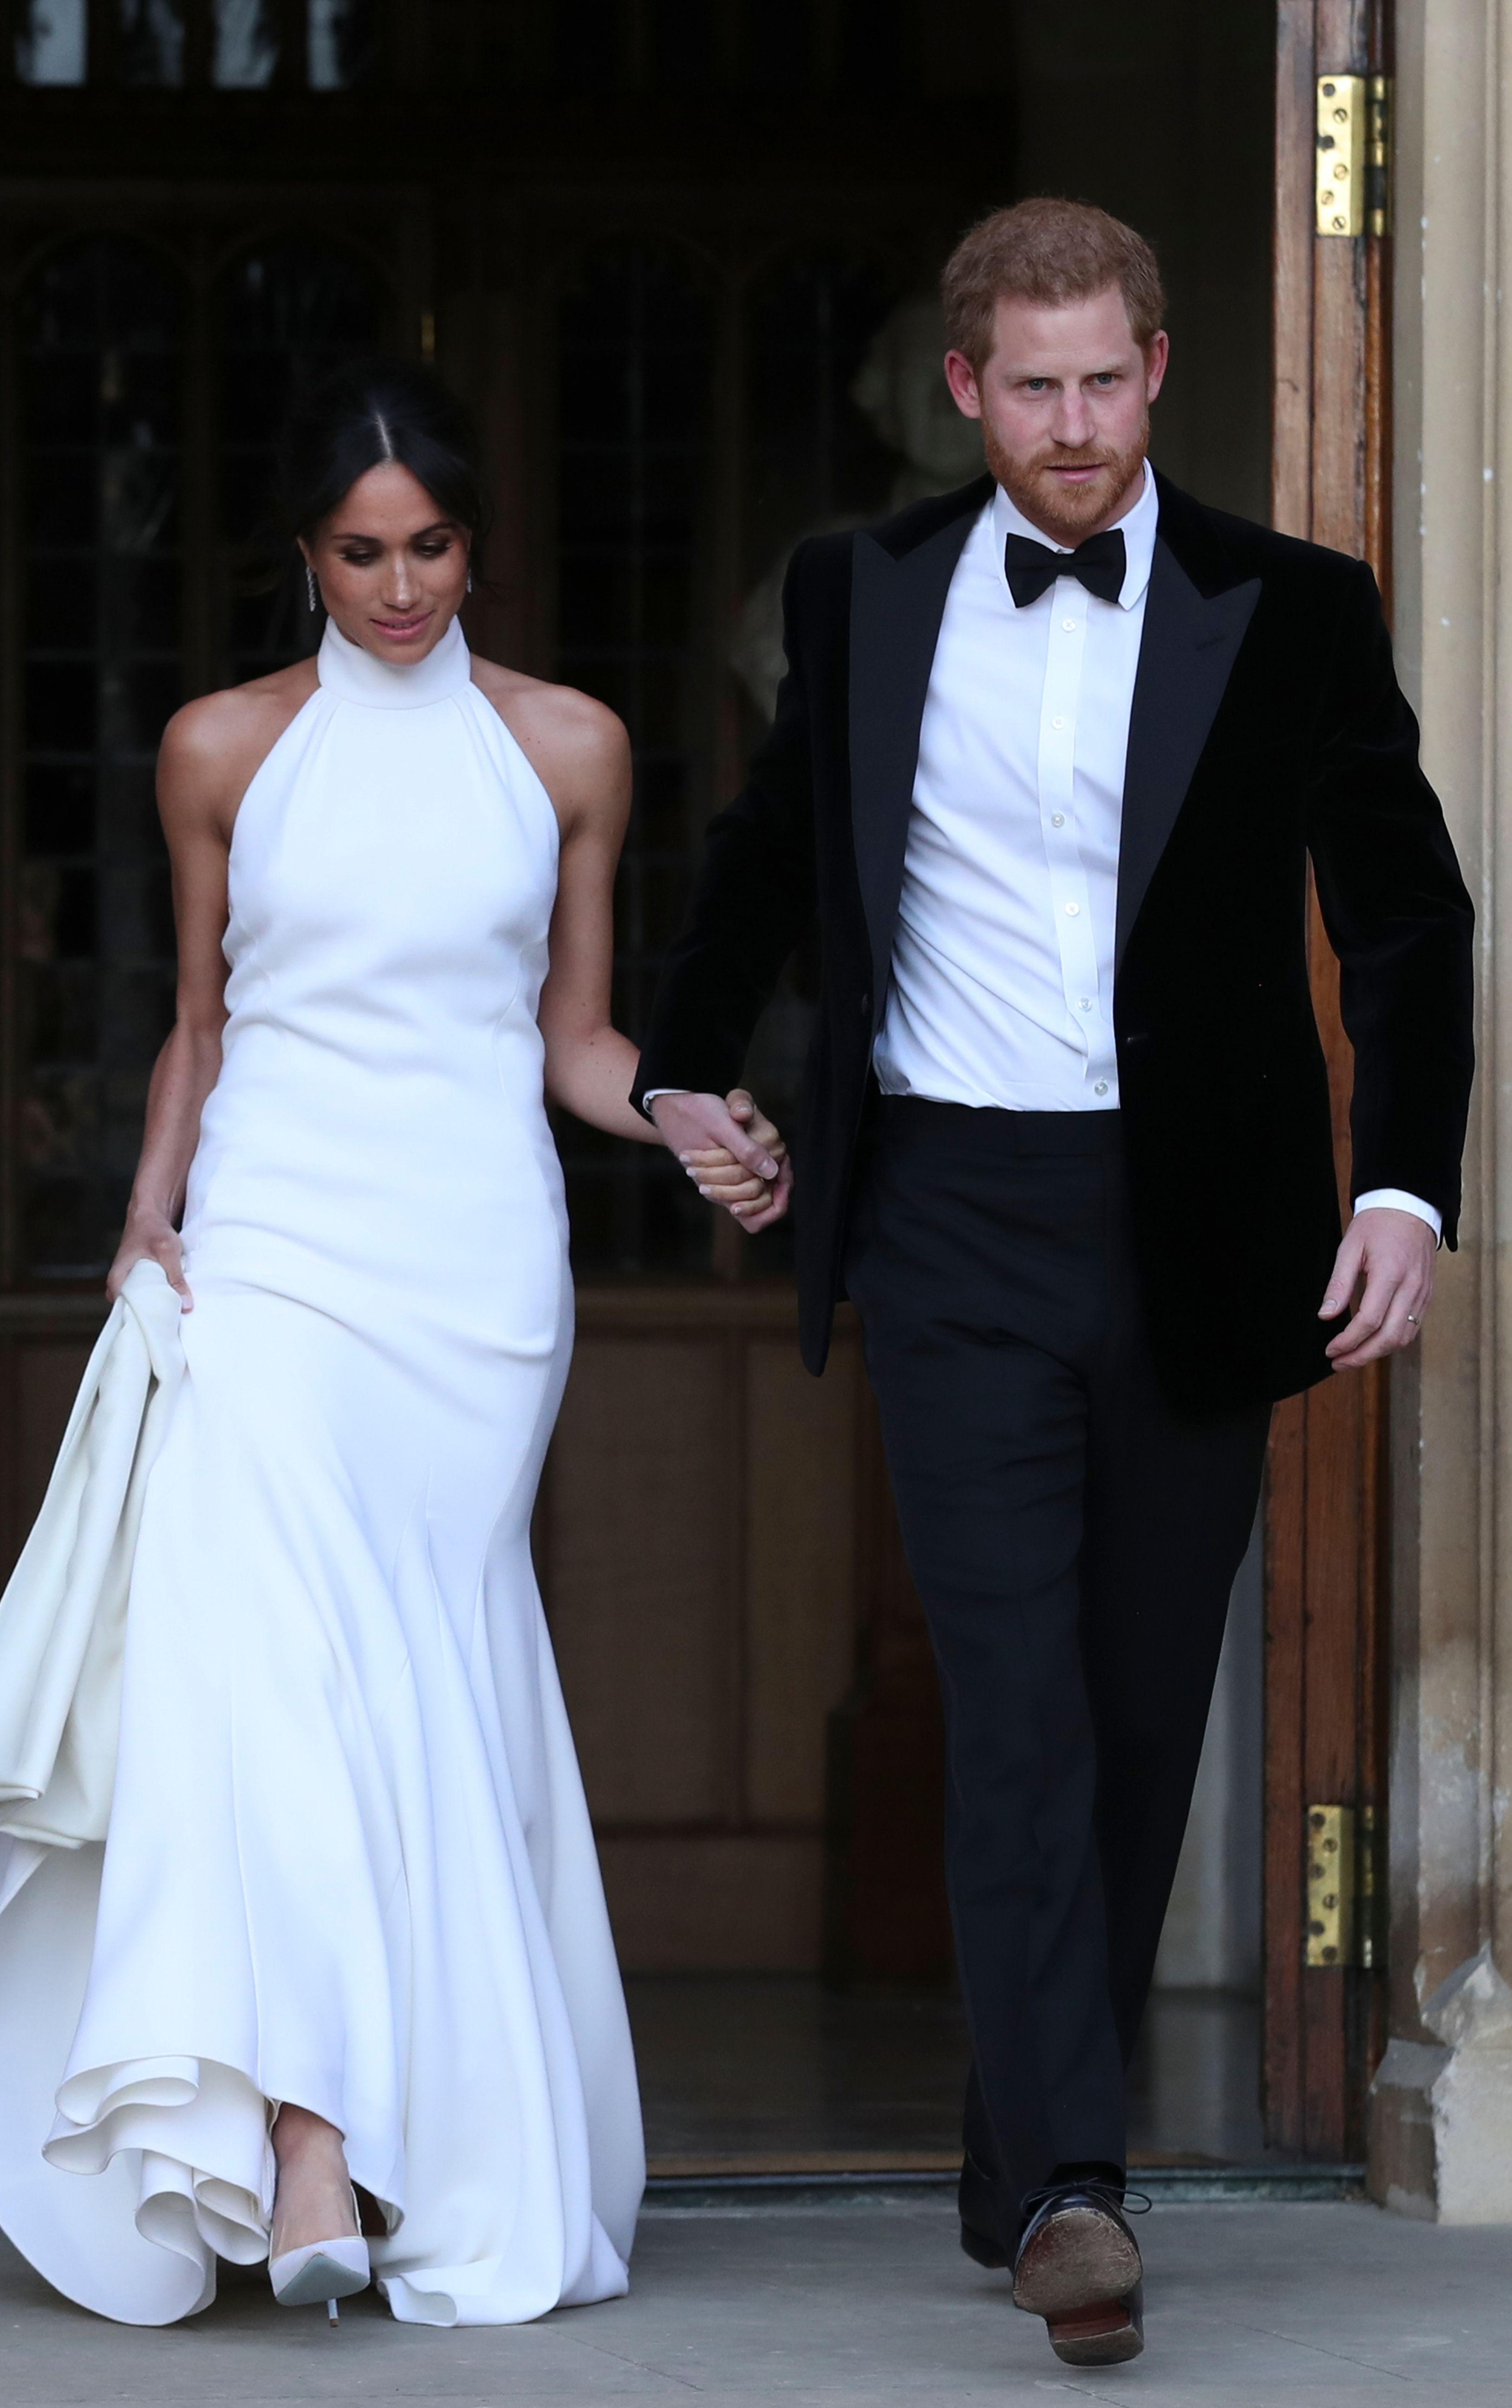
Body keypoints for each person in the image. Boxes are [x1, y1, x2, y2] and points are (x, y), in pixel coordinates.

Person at [635, 199, 1475, 2369]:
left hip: (1199, 1233)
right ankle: (1085, 2192)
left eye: (1111, 381)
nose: (1078, 424)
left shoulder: (1289, 610)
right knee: (1009, 1710)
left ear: (1163, 373)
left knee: (1124, 1714)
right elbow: (770, 859)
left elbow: (1405, 915)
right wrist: (676, 1069)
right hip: (950, 1226)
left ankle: (1027, 2158)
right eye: (1038, 386)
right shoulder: (862, 590)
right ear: (968, 390)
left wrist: (1403, 1193)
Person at [0, 359, 771, 2329]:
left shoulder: (569, 747)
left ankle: (422, 2145)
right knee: (273, 1679)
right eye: (359, 553)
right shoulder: (221, 746)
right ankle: (309, 2143)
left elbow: (568, 1036)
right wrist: (152, 1207)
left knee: (424, 1686)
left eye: (432, 548)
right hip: (276, 1249)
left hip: (475, 1281)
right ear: (304, 555)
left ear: (474, 543)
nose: (400, 588)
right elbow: (204, 1020)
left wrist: (685, 1112)